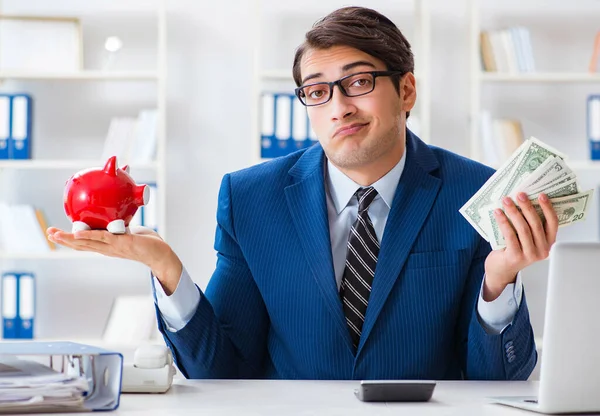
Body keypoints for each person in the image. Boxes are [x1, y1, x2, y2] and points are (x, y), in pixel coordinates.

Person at [47, 6, 558, 380]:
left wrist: (498, 282)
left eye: (358, 82)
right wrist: (166, 270)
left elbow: (497, 380)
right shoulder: (252, 199)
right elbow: (221, 368)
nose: (338, 106)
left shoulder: (477, 192)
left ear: (406, 91)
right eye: (317, 91)